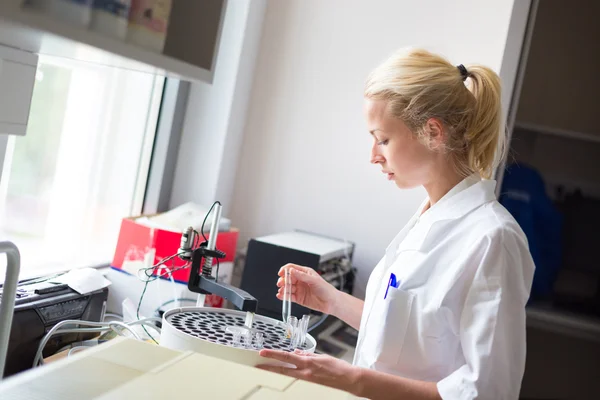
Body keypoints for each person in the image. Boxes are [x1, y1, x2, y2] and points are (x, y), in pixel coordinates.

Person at [257, 47, 535, 400]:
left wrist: (354, 380)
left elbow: (488, 391)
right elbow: (413, 336)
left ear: (433, 132)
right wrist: (333, 301)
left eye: (383, 139)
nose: (373, 156)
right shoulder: (427, 219)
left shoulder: (492, 239)